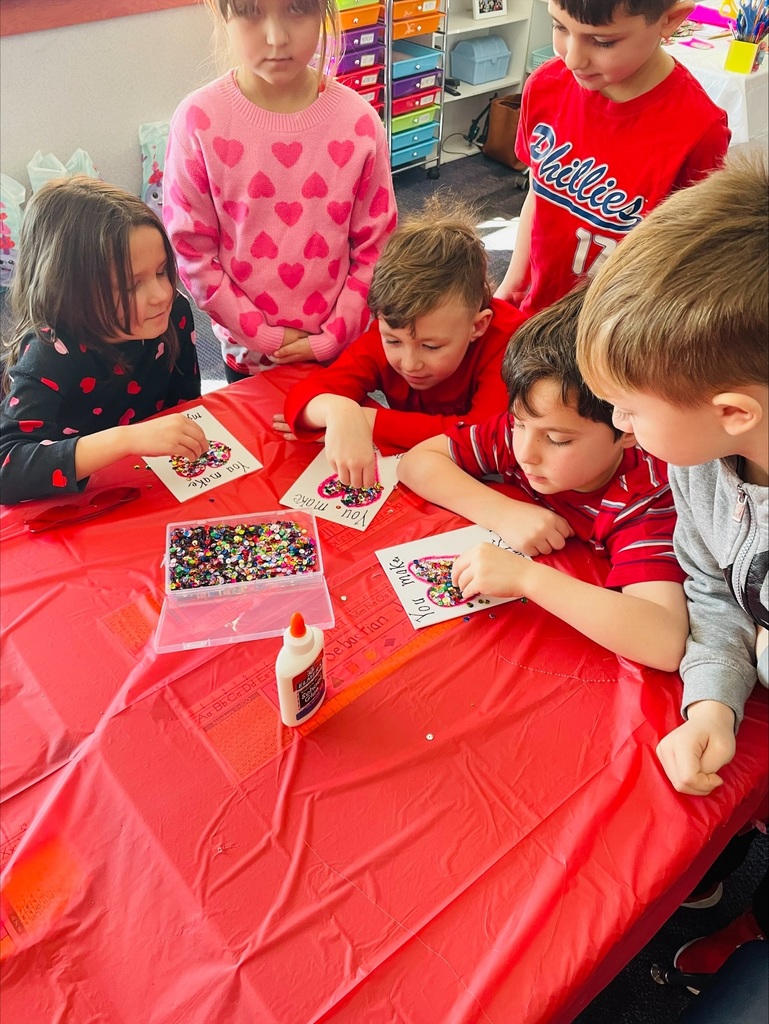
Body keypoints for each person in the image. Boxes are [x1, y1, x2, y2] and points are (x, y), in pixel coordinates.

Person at [575, 152, 767, 982]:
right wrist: (712, 701)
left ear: (730, 410)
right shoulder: (698, 462)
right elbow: (713, 593)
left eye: (628, 407)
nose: (617, 426)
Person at [397, 284, 688, 671]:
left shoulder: (643, 495)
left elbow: (664, 640)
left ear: (628, 426)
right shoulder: (528, 429)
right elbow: (416, 462)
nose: (525, 453)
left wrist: (526, 579)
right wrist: (502, 513)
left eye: (557, 440)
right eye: (518, 424)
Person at [163, 0, 397, 382]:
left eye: (297, 8)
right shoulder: (197, 123)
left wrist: (334, 334)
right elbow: (192, 252)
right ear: (223, 14)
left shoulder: (360, 123)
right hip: (246, 356)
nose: (276, 38)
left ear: (323, 10)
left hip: (340, 353)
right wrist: (263, 334)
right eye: (250, 11)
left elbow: (377, 247)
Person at [495, 0, 731, 317]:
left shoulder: (699, 133)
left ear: (670, 20)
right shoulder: (544, 86)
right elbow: (538, 193)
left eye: (603, 41)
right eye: (559, 26)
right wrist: (513, 281)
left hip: (612, 326)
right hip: (537, 306)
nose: (572, 59)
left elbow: (685, 260)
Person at [274, 196, 526, 488]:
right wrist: (339, 411)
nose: (409, 363)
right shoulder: (393, 328)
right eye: (392, 341)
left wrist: (370, 422)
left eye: (431, 347)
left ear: (477, 326)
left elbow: (483, 438)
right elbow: (301, 398)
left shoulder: (510, 343)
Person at [0, 176, 205, 506]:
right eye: (130, 286)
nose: (162, 294)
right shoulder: (49, 352)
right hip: (75, 505)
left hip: (148, 485)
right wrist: (126, 439)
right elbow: (7, 472)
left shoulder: (173, 312)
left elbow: (185, 406)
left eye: (162, 270)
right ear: (69, 292)